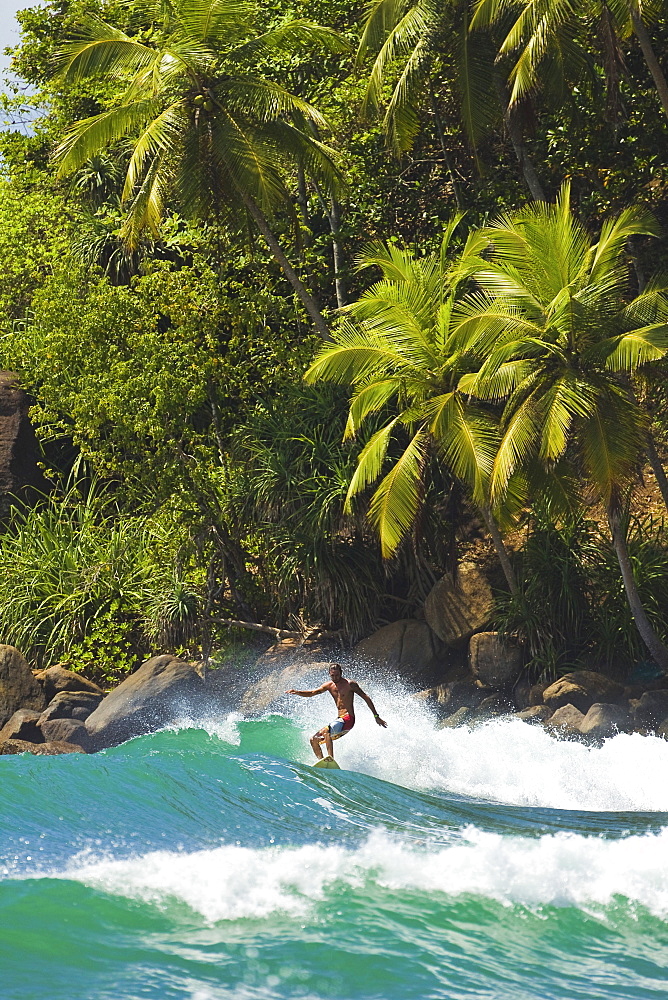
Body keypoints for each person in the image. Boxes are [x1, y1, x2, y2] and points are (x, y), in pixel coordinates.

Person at [286, 663, 387, 761]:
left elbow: (366, 698)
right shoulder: (329, 685)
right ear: (329, 674)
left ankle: (330, 759)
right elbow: (312, 693)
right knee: (314, 739)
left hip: (348, 719)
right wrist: (298, 692)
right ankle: (322, 763)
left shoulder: (350, 684)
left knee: (327, 731)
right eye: (332, 675)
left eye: (337, 675)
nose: (335, 677)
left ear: (341, 673)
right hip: (339, 720)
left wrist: (376, 716)